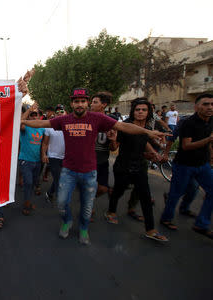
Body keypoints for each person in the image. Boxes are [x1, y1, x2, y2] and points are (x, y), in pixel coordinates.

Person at [20, 88, 168, 245]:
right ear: (72, 103)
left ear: (87, 103)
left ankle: (83, 228)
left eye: (83, 101)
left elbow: (123, 126)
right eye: (76, 101)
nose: (79, 104)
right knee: (62, 203)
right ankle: (67, 221)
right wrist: (22, 122)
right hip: (68, 171)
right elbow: (42, 122)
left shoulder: (96, 118)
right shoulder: (64, 120)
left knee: (87, 206)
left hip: (89, 173)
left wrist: (147, 132)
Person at [104, 98, 168, 242]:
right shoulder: (125, 126)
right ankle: (111, 211)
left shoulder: (147, 127)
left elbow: (144, 142)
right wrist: (113, 139)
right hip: (123, 166)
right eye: (137, 109)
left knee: (145, 196)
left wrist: (155, 154)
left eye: (144, 110)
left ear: (148, 112)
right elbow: (114, 148)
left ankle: (150, 229)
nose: (140, 112)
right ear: (133, 111)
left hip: (139, 166)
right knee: (118, 191)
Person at [160, 93, 213, 239]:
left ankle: (201, 224)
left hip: (203, 164)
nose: (210, 107)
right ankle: (166, 218)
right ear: (196, 107)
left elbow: (209, 143)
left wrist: (210, 157)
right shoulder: (187, 123)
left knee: (201, 190)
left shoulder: (210, 121)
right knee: (177, 192)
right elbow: (186, 145)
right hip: (184, 165)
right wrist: (165, 153)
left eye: (212, 104)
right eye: (206, 104)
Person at [89, 92, 118, 220]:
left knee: (103, 188)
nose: (91, 104)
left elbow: (114, 148)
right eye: (92, 102)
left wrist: (112, 139)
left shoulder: (111, 122)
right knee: (88, 186)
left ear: (104, 105)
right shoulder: (87, 118)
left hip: (102, 162)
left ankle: (88, 200)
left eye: (95, 102)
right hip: (88, 161)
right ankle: (87, 206)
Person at [17, 104, 45, 215]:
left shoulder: (42, 128)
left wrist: (43, 155)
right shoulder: (25, 127)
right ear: (29, 117)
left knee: (33, 183)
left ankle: (28, 200)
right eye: (31, 115)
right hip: (25, 160)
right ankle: (26, 204)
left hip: (37, 161)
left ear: (39, 117)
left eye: (36, 115)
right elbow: (20, 122)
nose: (33, 117)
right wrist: (29, 110)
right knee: (28, 183)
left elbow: (44, 144)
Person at [42, 105, 65, 203]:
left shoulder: (69, 126)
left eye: (62, 111)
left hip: (66, 158)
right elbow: (45, 143)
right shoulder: (49, 127)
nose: (60, 113)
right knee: (59, 180)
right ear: (54, 114)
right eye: (58, 111)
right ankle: (62, 201)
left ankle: (50, 193)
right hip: (53, 157)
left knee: (60, 179)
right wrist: (44, 154)